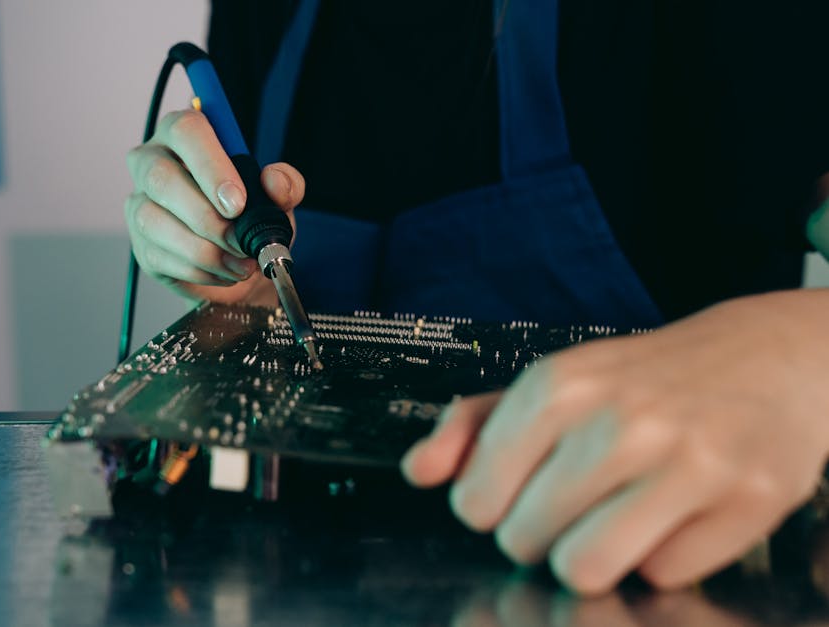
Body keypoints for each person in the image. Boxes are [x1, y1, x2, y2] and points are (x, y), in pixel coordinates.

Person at [124, 1, 829, 594]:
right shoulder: (265, 15)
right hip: (298, 579)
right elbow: (253, 308)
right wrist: (230, 279)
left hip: (638, 578)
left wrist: (802, 356)